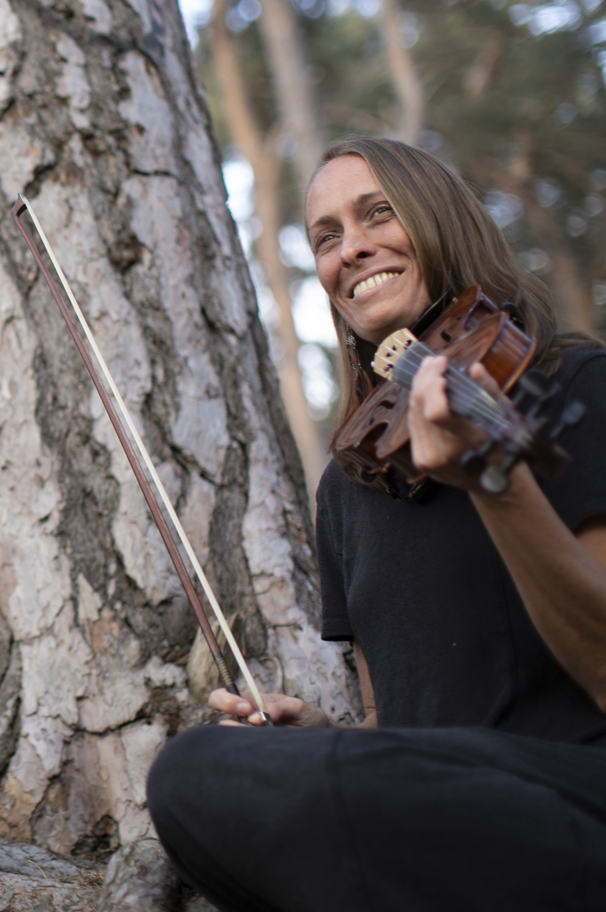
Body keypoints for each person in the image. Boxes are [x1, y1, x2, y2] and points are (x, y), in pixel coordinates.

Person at [146, 137, 606, 911]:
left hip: (571, 797)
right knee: (193, 771)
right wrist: (327, 738)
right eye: (326, 237)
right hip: (433, 811)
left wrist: (495, 482)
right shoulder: (350, 486)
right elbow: (404, 716)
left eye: (377, 214)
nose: (350, 248)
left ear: (442, 223)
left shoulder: (579, 383)